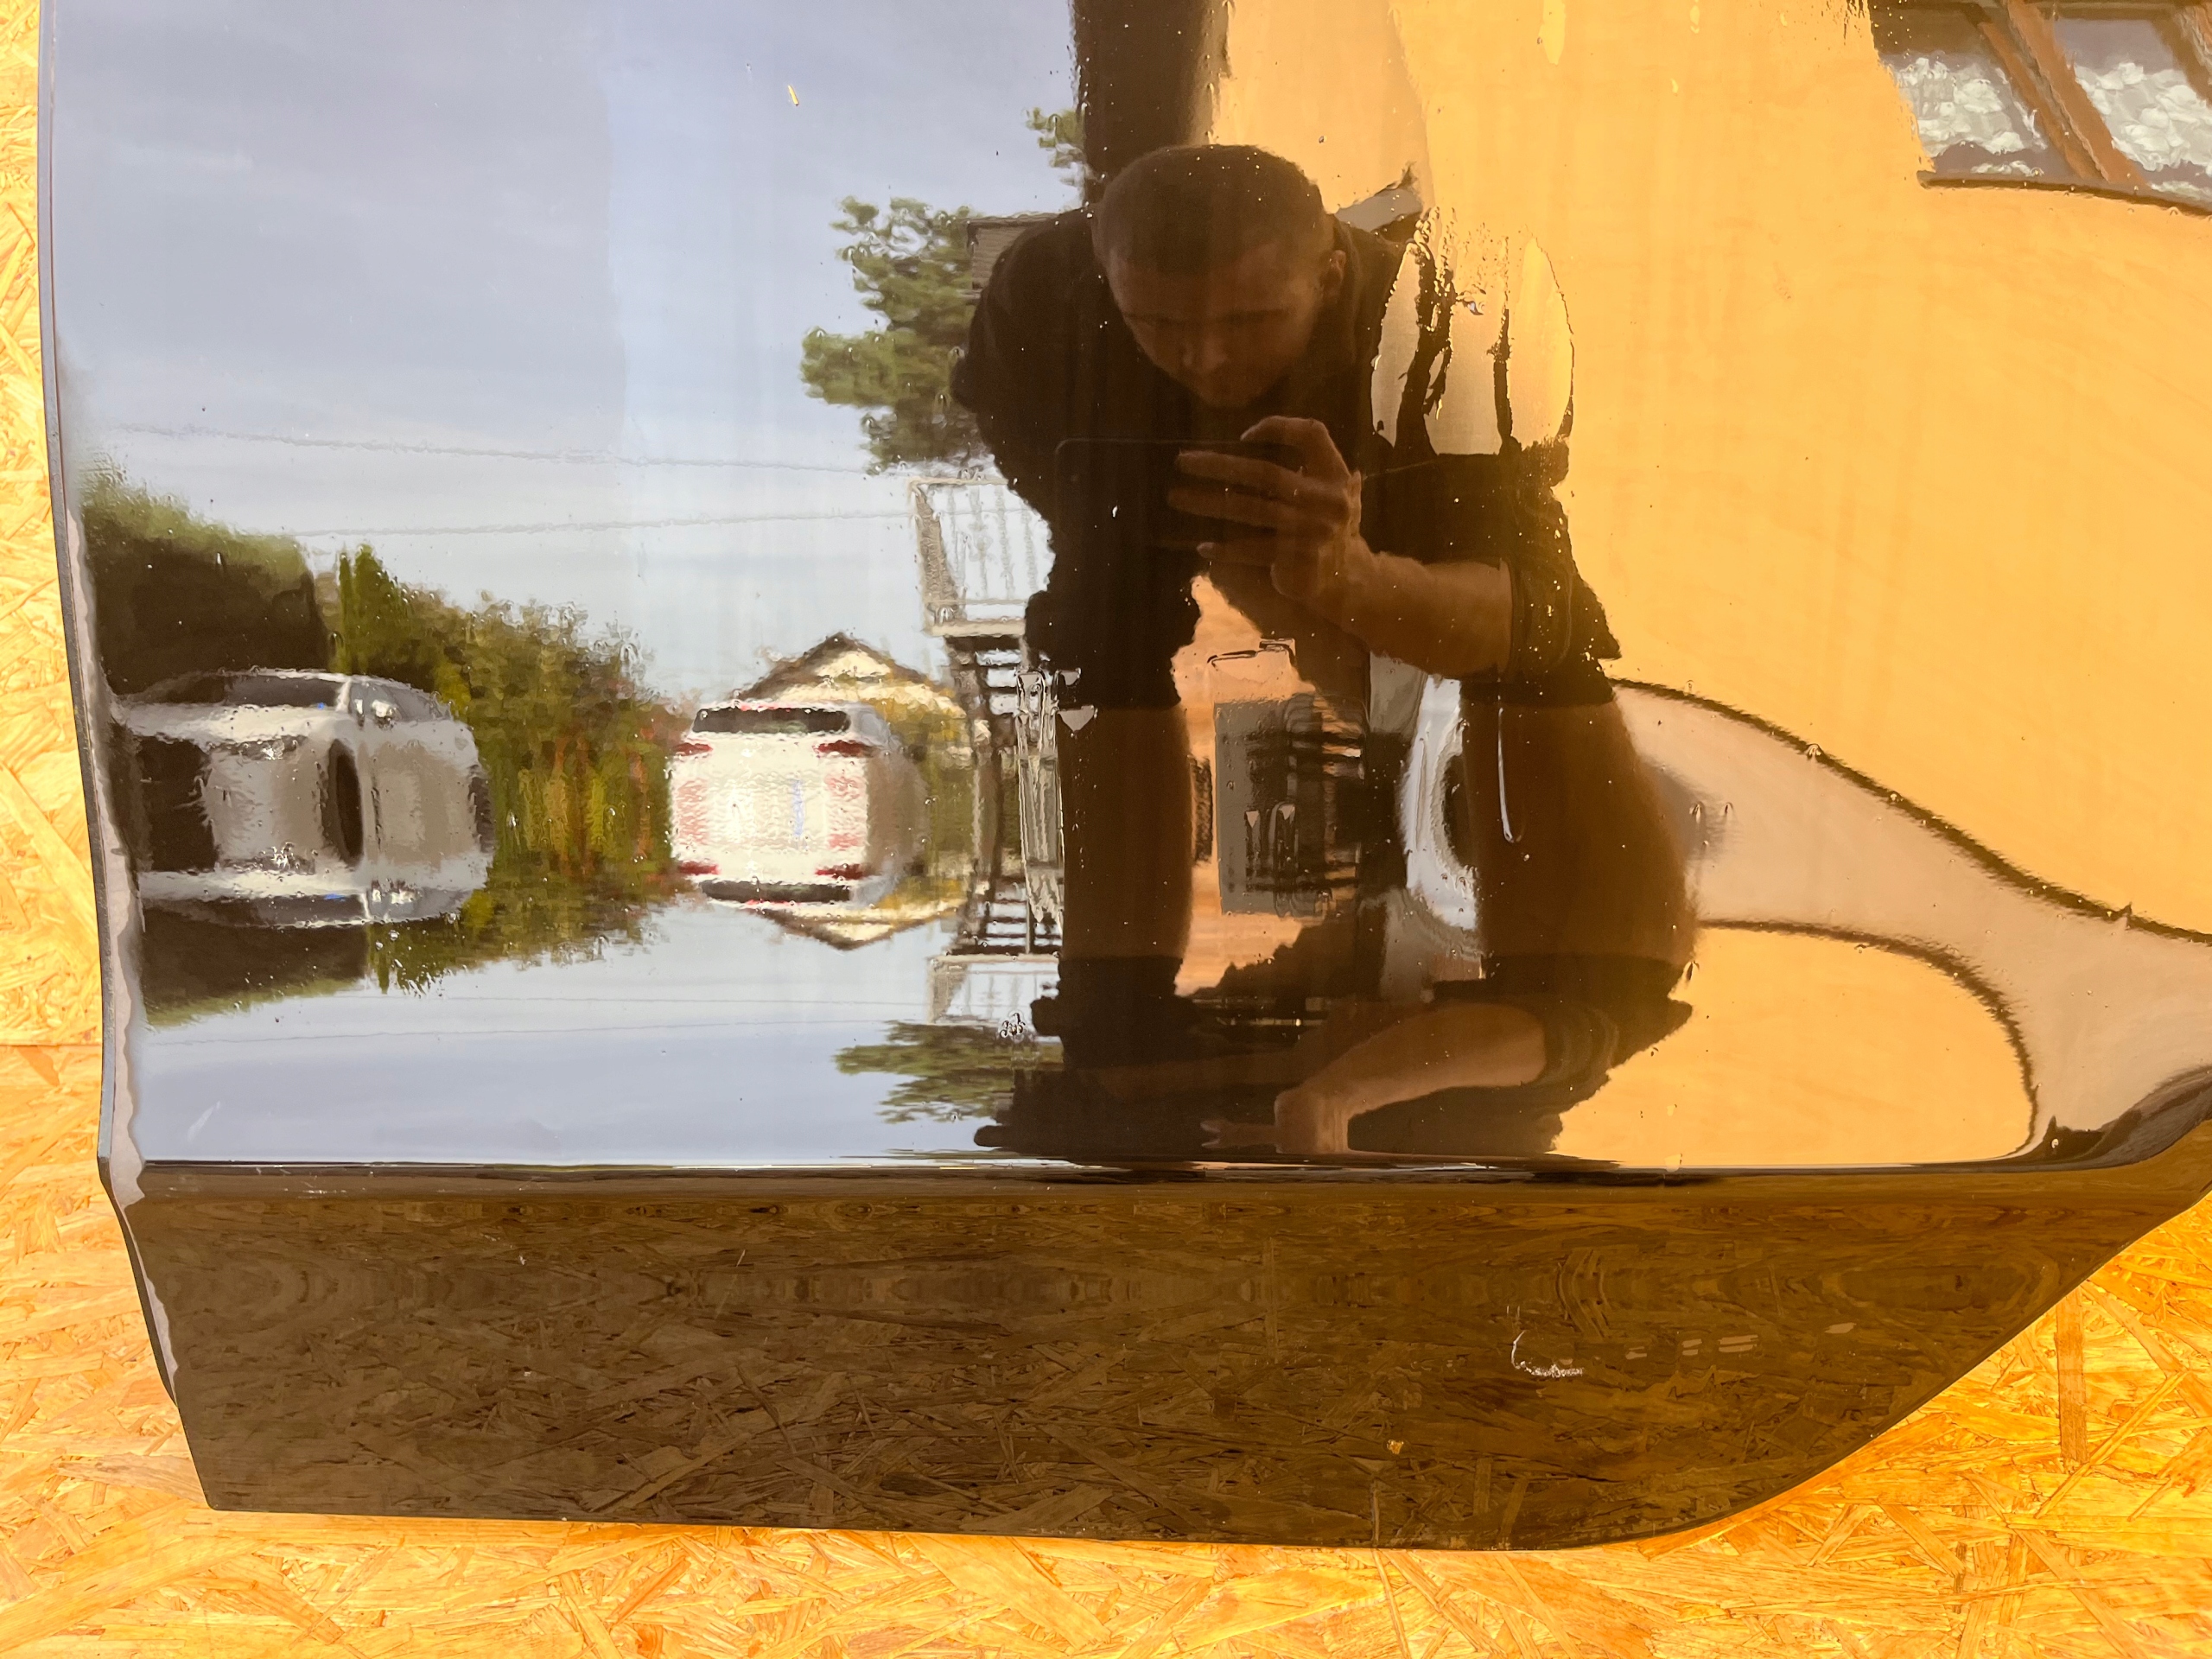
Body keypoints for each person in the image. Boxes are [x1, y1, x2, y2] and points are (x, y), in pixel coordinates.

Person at [954, 144, 1691, 1159]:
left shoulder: (1453, 329)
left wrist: (1345, 578)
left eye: (1250, 320)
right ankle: (1127, 1029)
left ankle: (1131, 1041)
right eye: (1160, 325)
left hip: (1408, 502)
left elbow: (1537, 626)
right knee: (1096, 628)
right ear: (1105, 283)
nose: (1207, 360)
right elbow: (1092, 573)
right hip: (1143, 516)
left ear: (1334, 275)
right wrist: (1237, 561)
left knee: (1525, 665)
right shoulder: (1042, 306)